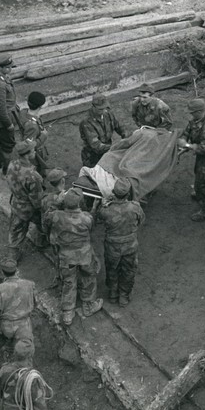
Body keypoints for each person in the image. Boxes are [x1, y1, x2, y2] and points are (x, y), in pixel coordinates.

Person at [46, 189, 102, 326]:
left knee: (69, 281)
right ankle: (88, 306)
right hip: (85, 256)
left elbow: (46, 216)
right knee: (88, 278)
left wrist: (56, 202)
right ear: (80, 203)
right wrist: (94, 207)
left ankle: (68, 313)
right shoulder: (86, 218)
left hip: (66, 257)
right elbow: (91, 225)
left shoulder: (56, 216)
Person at [97, 177, 145, 307]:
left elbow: (99, 218)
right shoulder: (135, 208)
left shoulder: (106, 210)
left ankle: (112, 294)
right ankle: (124, 297)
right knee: (128, 270)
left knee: (112, 268)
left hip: (112, 246)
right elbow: (141, 221)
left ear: (113, 192)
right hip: (130, 246)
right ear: (128, 194)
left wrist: (103, 204)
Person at [178, 98, 205, 222]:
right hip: (201, 154)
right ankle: (199, 192)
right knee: (198, 172)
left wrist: (187, 146)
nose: (190, 115)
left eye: (192, 112)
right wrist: (184, 140)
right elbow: (188, 130)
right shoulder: (196, 118)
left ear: (200, 111)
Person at [0, 259, 36, 351]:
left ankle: (8, 349)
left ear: (2, 272)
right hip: (24, 327)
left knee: (9, 349)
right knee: (25, 352)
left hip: (7, 328)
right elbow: (35, 304)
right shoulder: (30, 285)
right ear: (16, 270)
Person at [6, 140, 44, 261]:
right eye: (33, 150)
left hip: (16, 203)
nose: (35, 151)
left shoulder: (11, 164)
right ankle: (41, 241)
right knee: (43, 222)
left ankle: (12, 257)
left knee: (16, 230)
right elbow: (37, 201)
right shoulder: (33, 176)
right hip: (29, 208)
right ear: (27, 154)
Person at [0, 340, 51, 410]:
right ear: (30, 356)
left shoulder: (4, 370)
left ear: (15, 353)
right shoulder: (31, 379)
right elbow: (40, 407)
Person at [79, 93, 130, 168]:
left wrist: (127, 137)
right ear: (93, 106)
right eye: (100, 109)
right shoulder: (86, 122)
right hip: (93, 157)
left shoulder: (108, 113)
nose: (104, 111)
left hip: (108, 152)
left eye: (105, 108)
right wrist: (117, 147)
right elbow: (96, 146)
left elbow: (120, 127)